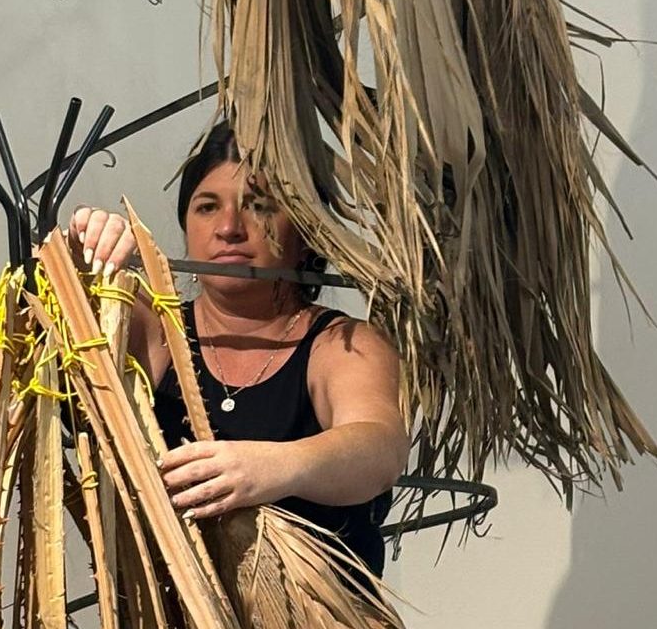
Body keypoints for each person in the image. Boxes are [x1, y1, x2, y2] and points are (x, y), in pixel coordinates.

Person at [66, 122, 408, 577]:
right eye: (207, 207)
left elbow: (380, 448)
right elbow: (62, 334)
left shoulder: (341, 343)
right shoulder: (155, 329)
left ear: (305, 234)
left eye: (259, 206)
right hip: (170, 619)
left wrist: (277, 467)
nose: (229, 228)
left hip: (321, 616)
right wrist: (80, 252)